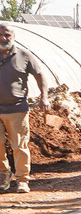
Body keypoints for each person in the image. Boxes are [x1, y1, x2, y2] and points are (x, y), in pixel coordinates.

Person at [0, 22, 46, 194]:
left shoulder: (24, 55)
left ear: (13, 36)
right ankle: (4, 176)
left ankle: (22, 180)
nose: (3, 38)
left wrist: (44, 97)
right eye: (0, 35)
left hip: (17, 109)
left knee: (19, 145)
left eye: (7, 35)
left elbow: (40, 75)